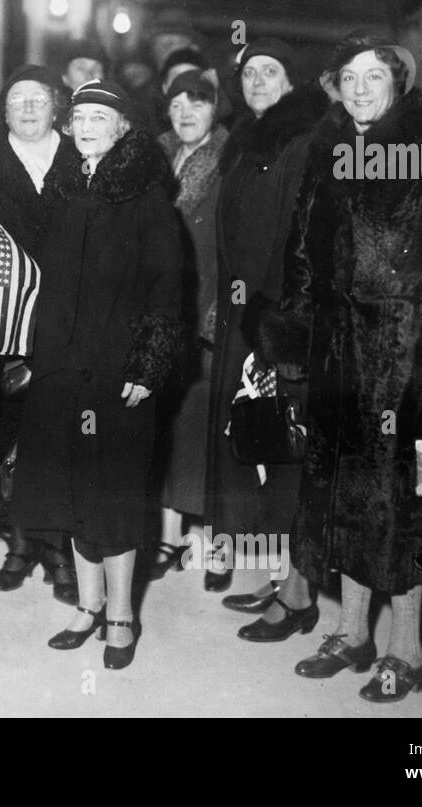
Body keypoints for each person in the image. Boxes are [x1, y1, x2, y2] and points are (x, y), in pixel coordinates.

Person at [258, 33, 422, 701]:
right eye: (348, 76)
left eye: (373, 76)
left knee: (399, 499)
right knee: (341, 490)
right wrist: (297, 332)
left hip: (404, 348)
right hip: (337, 347)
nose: (359, 87)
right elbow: (302, 247)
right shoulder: (328, 152)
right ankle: (352, 630)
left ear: (397, 84)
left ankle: (406, 649)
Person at [12, 79, 184, 670]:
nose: (86, 126)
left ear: (123, 130)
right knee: (71, 488)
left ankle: (121, 616)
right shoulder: (60, 189)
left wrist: (149, 364)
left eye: (98, 118)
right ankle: (87, 607)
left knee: (113, 495)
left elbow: (168, 290)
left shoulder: (147, 197)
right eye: (78, 117)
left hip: (118, 372)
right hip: (61, 367)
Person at [203, 38, 328, 602]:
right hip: (244, 312)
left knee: (282, 445)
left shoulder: (299, 140)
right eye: (248, 72)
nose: (256, 81)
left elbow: (294, 238)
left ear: (290, 81)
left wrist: (270, 320)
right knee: (255, 439)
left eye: (269, 71)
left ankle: (293, 590)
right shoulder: (247, 141)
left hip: (273, 317)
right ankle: (275, 574)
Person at [0, 63, 78, 604]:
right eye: (17, 101)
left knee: (59, 426)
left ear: (56, 105)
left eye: (38, 98)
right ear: (4, 112)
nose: (29, 109)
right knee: (10, 420)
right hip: (8, 317)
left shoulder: (80, 155)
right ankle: (18, 537)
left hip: (69, 314)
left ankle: (58, 545)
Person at [151, 69, 229, 574]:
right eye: (176, 103)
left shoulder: (231, 159)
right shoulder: (155, 158)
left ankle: (213, 539)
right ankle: (169, 535)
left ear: (215, 109)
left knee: (210, 424)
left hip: (210, 306)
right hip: (165, 310)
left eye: (197, 103)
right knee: (167, 422)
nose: (185, 112)